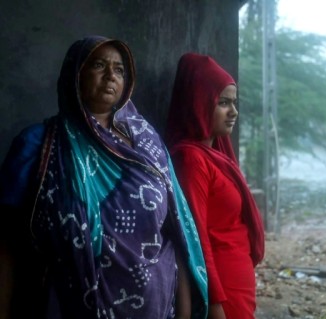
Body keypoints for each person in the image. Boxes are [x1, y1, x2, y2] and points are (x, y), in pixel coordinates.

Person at [0, 36, 208, 319]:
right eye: (99, 65)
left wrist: (184, 313)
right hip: (68, 305)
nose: (111, 75)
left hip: (154, 307)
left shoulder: (148, 146)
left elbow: (176, 232)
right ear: (76, 73)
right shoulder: (41, 143)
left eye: (120, 69)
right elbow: (8, 241)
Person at [165, 53, 265, 319]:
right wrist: (215, 302)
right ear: (199, 104)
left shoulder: (216, 153)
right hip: (221, 285)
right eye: (223, 103)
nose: (234, 112)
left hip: (236, 278)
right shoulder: (191, 159)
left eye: (234, 102)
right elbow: (195, 235)